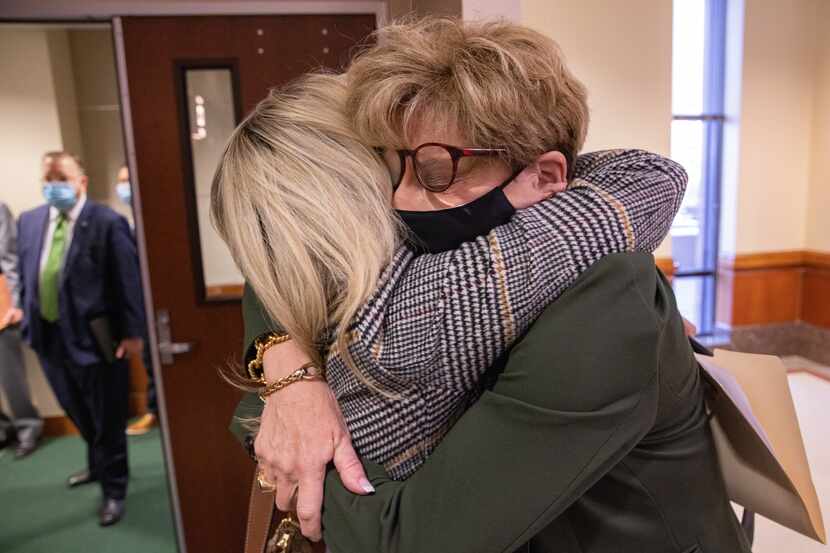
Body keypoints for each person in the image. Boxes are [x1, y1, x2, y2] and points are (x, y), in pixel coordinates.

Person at [227, 18, 751, 553]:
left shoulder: (602, 298)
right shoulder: (424, 271)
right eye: (390, 170)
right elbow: (285, 265)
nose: (399, 201)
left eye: (434, 172)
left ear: (544, 178)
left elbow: (406, 539)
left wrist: (291, 447)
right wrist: (288, 372)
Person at [17, 151, 145, 526]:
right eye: (49, 178)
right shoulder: (29, 221)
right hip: (49, 337)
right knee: (75, 409)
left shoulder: (106, 222)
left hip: (97, 339)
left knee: (107, 417)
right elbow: (26, 271)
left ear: (81, 182)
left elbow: (128, 281)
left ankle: (114, 489)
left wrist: (133, 334)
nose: (54, 185)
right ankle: (97, 465)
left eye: (62, 177)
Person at [114, 164, 158, 436]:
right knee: (149, 360)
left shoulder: (157, 221)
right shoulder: (126, 224)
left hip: (162, 302)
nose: (124, 187)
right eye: (120, 181)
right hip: (139, 304)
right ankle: (154, 411)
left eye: (128, 180)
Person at [0, 201, 42, 458]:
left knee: (10, 374)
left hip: (1, 301)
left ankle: (29, 427)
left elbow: (9, 257)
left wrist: (15, 303)